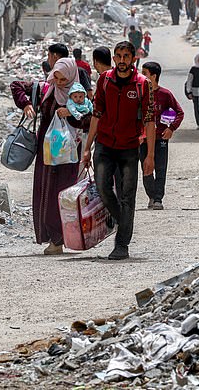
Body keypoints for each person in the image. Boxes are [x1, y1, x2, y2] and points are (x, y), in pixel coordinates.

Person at [82, 41, 155, 260]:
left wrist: (150, 155)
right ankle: (121, 220)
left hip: (129, 148)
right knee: (103, 187)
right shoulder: (104, 80)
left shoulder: (143, 84)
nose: (122, 60)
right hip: (104, 145)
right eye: (118, 56)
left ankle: (121, 245)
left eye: (126, 56)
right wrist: (87, 148)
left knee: (128, 196)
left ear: (134, 59)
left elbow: (150, 121)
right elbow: (96, 114)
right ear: (114, 59)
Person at [10, 58, 90, 255]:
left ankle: (64, 238)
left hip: (69, 154)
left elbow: (89, 121)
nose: (60, 83)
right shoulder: (46, 89)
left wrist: (70, 115)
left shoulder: (78, 95)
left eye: (64, 80)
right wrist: (26, 104)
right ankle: (53, 239)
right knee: (46, 193)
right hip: (47, 152)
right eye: (57, 78)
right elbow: (16, 86)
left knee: (65, 195)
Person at [140, 61, 184, 210]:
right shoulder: (139, 94)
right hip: (143, 140)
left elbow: (179, 112)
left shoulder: (165, 95)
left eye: (144, 73)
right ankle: (151, 195)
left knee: (160, 168)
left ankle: (158, 198)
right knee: (146, 169)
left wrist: (171, 128)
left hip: (160, 139)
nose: (141, 76)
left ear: (154, 76)